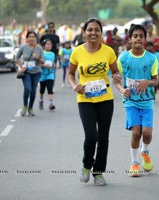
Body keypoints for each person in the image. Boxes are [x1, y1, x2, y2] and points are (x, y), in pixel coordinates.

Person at [67, 18, 122, 186]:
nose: (93, 33)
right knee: (91, 136)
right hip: (85, 99)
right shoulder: (77, 52)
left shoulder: (108, 52)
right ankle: (86, 165)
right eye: (89, 30)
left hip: (105, 99)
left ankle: (98, 172)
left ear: (101, 32)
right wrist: (75, 85)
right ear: (84, 32)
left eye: (96, 30)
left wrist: (117, 77)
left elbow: (115, 72)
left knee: (103, 138)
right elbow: (71, 73)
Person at [117, 24, 158, 177]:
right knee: (136, 132)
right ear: (130, 39)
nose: (138, 39)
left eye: (141, 36)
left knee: (146, 133)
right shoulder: (123, 58)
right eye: (135, 36)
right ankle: (134, 163)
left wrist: (147, 82)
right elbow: (116, 78)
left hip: (147, 102)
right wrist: (122, 89)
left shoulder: (151, 58)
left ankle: (144, 151)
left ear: (145, 39)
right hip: (131, 102)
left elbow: (155, 81)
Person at [16, 31, 44, 116]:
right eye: (30, 37)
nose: (31, 38)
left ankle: (30, 108)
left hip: (36, 72)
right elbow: (16, 58)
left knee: (33, 91)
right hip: (26, 72)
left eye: (33, 37)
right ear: (27, 38)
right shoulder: (23, 47)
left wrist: (38, 58)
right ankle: (25, 106)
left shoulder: (39, 48)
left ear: (36, 38)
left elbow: (43, 61)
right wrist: (21, 67)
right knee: (28, 88)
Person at [39, 39, 56, 111]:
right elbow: (39, 64)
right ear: (43, 45)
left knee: (50, 88)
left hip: (50, 73)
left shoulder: (52, 54)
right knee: (42, 89)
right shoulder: (41, 53)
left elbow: (53, 63)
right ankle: (41, 101)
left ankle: (51, 103)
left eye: (50, 44)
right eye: (47, 44)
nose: (49, 45)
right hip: (42, 74)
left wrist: (54, 65)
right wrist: (44, 66)